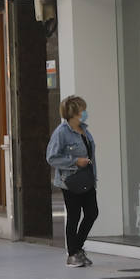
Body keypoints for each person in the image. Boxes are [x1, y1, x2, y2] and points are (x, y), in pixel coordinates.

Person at [46, 94, 99, 267]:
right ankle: (72, 253)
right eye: (82, 110)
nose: (85, 113)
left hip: (87, 178)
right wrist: (75, 161)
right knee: (74, 215)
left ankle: (77, 248)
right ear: (74, 113)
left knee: (92, 213)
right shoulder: (61, 133)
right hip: (70, 181)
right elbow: (52, 157)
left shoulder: (84, 130)